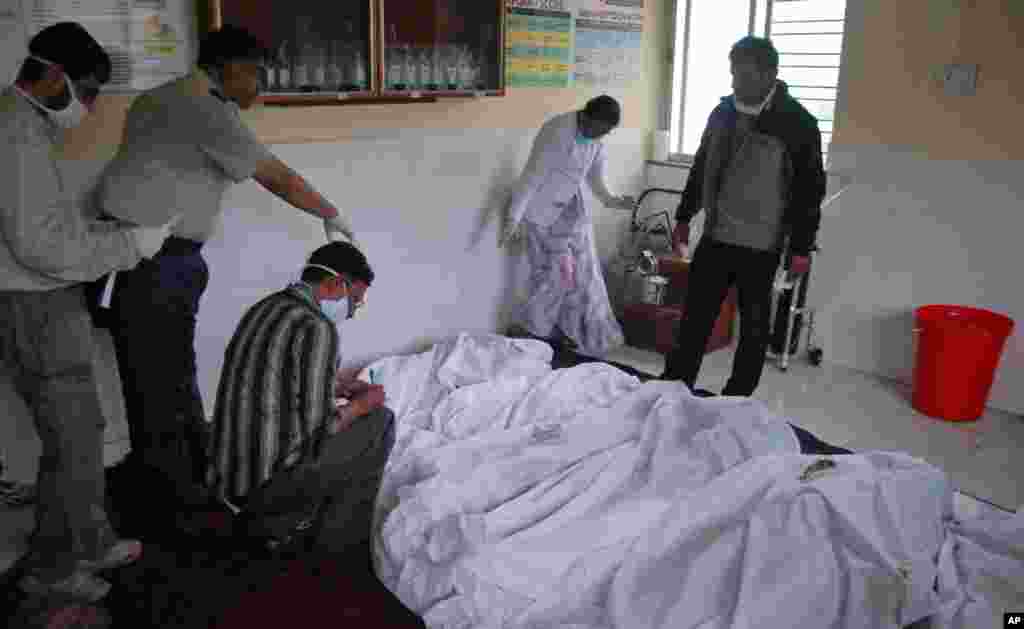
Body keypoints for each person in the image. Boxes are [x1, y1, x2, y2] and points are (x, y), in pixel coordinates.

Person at [93, 24, 357, 537]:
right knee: (163, 380)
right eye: (255, 73)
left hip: (134, 256)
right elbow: (274, 174)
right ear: (227, 68)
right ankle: (174, 502)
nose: (260, 86)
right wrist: (330, 213)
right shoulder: (204, 110)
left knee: (157, 374)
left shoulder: (160, 98)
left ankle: (177, 479)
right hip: (157, 262)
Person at [0, 22, 176, 601]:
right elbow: (39, 244)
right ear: (52, 74)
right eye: (88, 90)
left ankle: (90, 538)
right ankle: (51, 571)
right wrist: (129, 247)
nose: (90, 106)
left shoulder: (29, 128)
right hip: (33, 305)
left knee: (86, 429)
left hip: (45, 299)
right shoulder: (15, 132)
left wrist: (110, 230)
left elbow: (51, 227)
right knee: (71, 440)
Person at [661, 36, 826, 397]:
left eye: (746, 77)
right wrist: (685, 216)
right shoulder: (722, 113)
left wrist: (801, 248)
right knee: (695, 320)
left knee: (753, 328)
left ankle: (736, 401)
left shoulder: (797, 124)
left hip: (762, 246)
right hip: (717, 237)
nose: (737, 84)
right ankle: (672, 388)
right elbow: (702, 166)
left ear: (770, 75)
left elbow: (809, 192)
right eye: (734, 75)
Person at [208, 242, 394, 559]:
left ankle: (281, 518)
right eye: (354, 303)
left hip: (227, 480)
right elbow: (320, 430)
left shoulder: (266, 307)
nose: (351, 313)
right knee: (381, 421)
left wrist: (336, 385)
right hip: (262, 492)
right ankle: (328, 541)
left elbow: (272, 376)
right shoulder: (318, 328)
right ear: (337, 284)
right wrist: (363, 405)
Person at [501, 95, 633, 357]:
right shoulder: (557, 131)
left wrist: (612, 201)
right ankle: (533, 334)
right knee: (553, 278)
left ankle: (571, 332)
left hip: (572, 212)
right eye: (601, 129)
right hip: (542, 214)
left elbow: (596, 180)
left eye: (607, 133)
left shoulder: (596, 141)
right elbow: (532, 176)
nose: (601, 136)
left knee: (584, 276)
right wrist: (513, 218)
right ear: (589, 117)